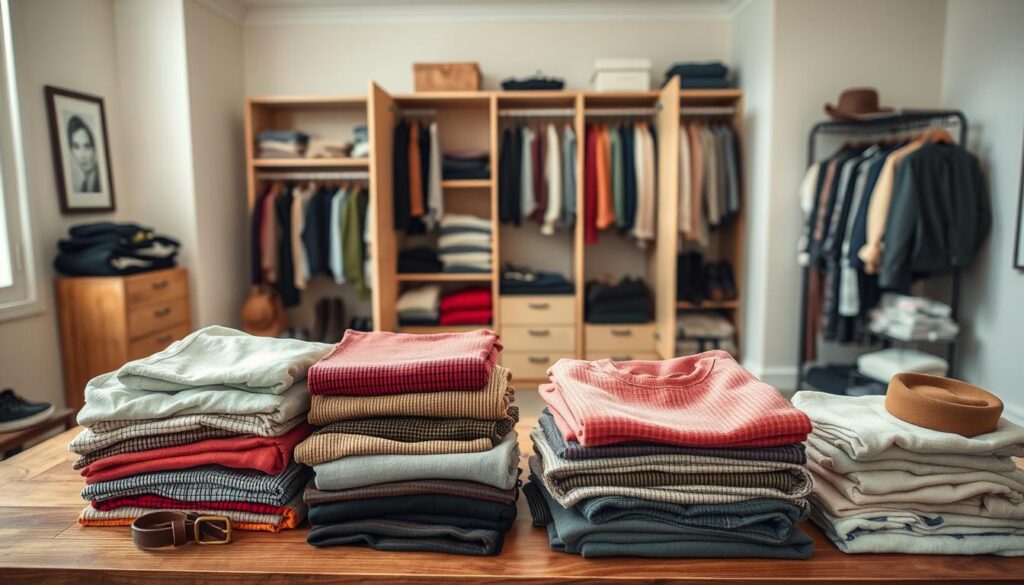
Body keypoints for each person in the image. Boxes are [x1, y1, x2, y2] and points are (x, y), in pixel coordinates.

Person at [67, 115, 99, 192]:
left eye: (87, 146)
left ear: (94, 150)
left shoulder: (101, 181)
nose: (82, 155)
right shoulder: (83, 187)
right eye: (76, 147)